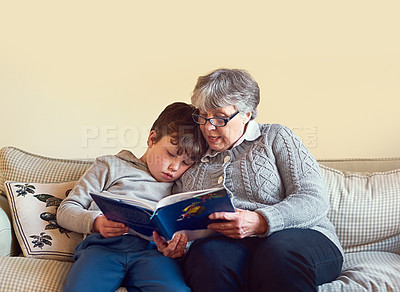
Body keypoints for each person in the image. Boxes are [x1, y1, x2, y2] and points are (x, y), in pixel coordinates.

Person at [155, 69, 344, 291]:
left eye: (219, 117)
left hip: (299, 237)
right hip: (228, 245)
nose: (208, 126)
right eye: (202, 115)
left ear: (247, 114)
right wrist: (179, 245)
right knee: (208, 259)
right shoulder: (193, 156)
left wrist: (261, 221)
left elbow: (314, 199)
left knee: (277, 254)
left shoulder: (276, 137)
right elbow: (183, 218)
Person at [57, 102, 207, 292]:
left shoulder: (181, 186)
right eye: (170, 154)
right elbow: (66, 209)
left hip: (153, 254)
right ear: (152, 139)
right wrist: (96, 222)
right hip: (103, 248)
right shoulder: (110, 165)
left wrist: (178, 245)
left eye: (186, 162)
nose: (175, 168)